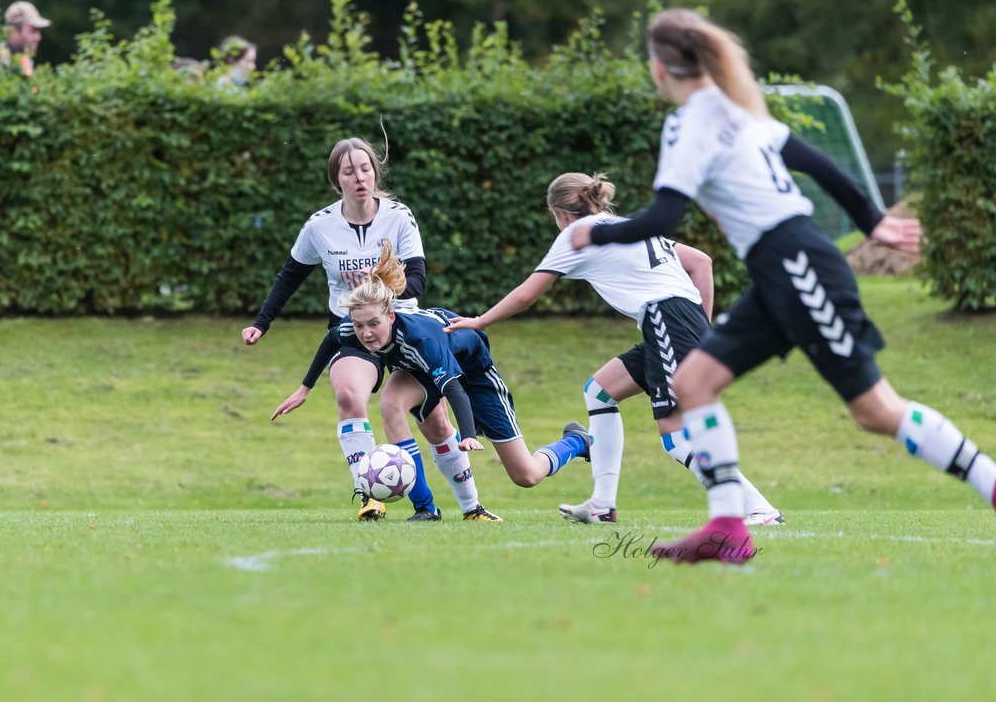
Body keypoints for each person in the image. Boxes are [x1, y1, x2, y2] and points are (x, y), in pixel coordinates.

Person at [568, 8, 996, 564]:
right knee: (694, 383)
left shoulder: (692, 121)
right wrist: (871, 221)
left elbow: (663, 217)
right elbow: (818, 164)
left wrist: (594, 238)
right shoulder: (739, 111)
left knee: (877, 411)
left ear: (658, 67)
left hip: (799, 266)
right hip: (780, 272)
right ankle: (729, 528)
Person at [444, 171, 784, 527]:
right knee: (600, 391)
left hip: (666, 319)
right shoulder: (626, 225)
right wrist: (701, 327)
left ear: (559, 213)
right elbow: (701, 261)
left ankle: (758, 509)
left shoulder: (577, 233)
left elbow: (527, 295)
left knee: (676, 438)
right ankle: (602, 505)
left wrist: (481, 321)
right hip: (672, 322)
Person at [244, 136, 461, 523]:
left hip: (403, 325)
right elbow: (289, 276)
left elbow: (418, 280)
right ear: (337, 180)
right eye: (349, 171)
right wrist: (261, 322)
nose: (360, 177)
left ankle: (471, 505)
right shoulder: (320, 226)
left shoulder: (399, 216)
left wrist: (382, 286)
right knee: (347, 394)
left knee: (438, 422)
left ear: (375, 173)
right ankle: (370, 493)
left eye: (365, 168)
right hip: (351, 329)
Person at [286, 241, 592, 499]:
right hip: (424, 373)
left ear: (391, 317)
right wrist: (305, 388)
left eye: (373, 324)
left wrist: (469, 435)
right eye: (359, 325)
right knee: (391, 402)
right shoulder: (357, 326)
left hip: (474, 375)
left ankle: (576, 442)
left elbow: (454, 388)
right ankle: (425, 508)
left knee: (526, 475)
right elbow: (331, 339)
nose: (365, 333)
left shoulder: (421, 340)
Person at [0, 1, 51, 76]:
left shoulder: (25, 60)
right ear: (13, 29)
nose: (38, 37)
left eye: (38, 31)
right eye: (33, 31)